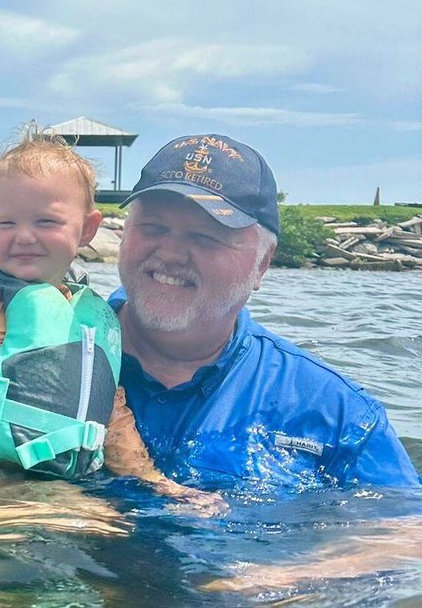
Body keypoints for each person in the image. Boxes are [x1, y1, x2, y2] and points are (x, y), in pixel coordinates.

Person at [0, 128, 215, 507]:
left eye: (46, 222)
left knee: (108, 529)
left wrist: (155, 481)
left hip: (46, 485)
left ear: (88, 230)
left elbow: (111, 414)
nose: (24, 237)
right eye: (7, 224)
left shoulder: (94, 318)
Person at [111, 133, 420, 491]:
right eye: (154, 228)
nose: (171, 253)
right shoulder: (49, 350)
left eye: (205, 237)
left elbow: (404, 533)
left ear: (262, 263)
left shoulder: (338, 418)